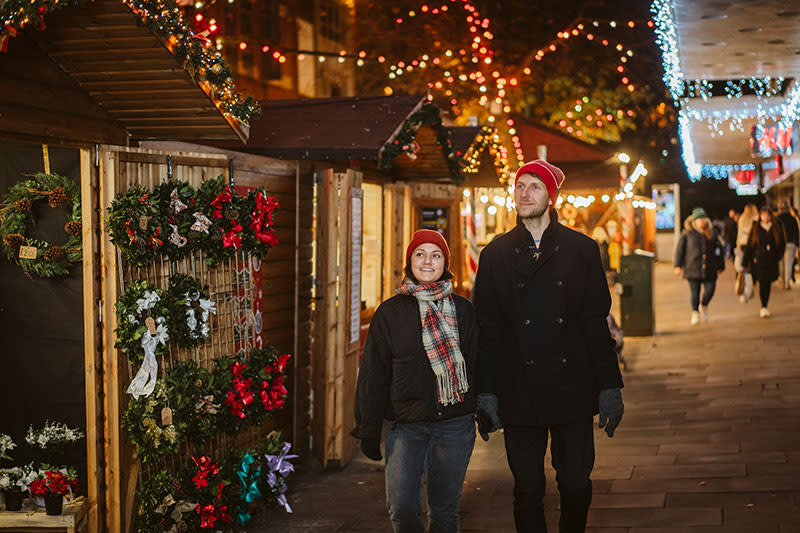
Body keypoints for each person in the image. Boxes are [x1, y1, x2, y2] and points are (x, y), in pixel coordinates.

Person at [473, 160, 624, 533]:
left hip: (571, 386)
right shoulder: (494, 254)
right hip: (518, 390)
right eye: (520, 186)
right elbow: (487, 329)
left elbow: (595, 322)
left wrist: (610, 387)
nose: (524, 193)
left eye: (534, 187)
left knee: (575, 484)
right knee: (527, 488)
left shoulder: (582, 250)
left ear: (551, 198)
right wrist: (486, 393)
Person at [353, 229, 477, 533]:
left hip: (454, 423)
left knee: (444, 510)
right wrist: (369, 427)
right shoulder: (390, 313)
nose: (427, 261)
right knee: (403, 509)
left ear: (444, 263)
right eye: (420, 254)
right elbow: (373, 373)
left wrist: (486, 406)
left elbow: (478, 363)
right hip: (405, 425)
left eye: (435, 255)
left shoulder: (462, 310)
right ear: (410, 262)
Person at [673, 207, 725, 325]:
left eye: (703, 219)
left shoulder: (712, 233)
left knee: (710, 290)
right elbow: (679, 250)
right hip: (692, 268)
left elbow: (719, 250)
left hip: (710, 268)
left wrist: (721, 266)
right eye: (699, 219)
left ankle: (704, 305)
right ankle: (695, 313)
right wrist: (677, 265)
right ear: (694, 221)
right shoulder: (687, 234)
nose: (702, 221)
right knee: (694, 293)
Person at [744, 206, 786, 317]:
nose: (765, 217)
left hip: (771, 261)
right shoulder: (756, 227)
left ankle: (764, 304)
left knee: (767, 284)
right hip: (759, 261)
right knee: (762, 283)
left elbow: (782, 244)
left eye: (768, 215)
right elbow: (750, 245)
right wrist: (745, 260)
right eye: (763, 215)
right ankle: (763, 306)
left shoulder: (777, 227)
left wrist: (777, 256)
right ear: (760, 216)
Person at [735, 203, 759, 301]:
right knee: (748, 269)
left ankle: (746, 291)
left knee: (744, 268)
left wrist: (738, 245)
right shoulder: (755, 219)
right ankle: (747, 290)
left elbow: (739, 234)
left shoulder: (743, 219)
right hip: (751, 246)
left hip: (744, 245)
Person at [776, 202, 798, 289]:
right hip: (791, 243)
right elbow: (796, 233)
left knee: (781, 264)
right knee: (789, 264)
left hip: (780, 244)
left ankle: (782, 280)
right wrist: (797, 245)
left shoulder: (777, 219)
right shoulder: (792, 219)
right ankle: (787, 283)